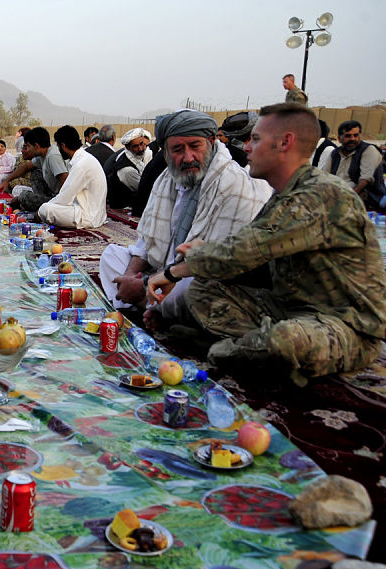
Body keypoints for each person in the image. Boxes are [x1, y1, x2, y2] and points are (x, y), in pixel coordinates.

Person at [148, 102, 386, 385]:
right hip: (287, 307)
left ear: (284, 143)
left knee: (285, 341)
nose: (246, 148)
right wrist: (200, 263)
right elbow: (251, 258)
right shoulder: (284, 195)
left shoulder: (320, 195)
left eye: (256, 140)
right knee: (201, 291)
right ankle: (253, 348)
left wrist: (173, 273)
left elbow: (245, 250)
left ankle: (220, 350)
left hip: (345, 324)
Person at [99, 110, 272, 326]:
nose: (188, 157)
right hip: (163, 272)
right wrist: (130, 275)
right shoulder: (167, 179)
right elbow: (145, 242)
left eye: (195, 146)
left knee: (191, 289)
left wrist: (145, 283)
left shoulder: (234, 184)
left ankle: (148, 304)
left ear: (210, 142)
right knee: (111, 256)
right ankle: (153, 305)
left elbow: (216, 264)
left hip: (195, 275)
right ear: (166, 152)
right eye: (178, 149)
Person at [36, 126, 108, 228]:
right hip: (93, 212)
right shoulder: (83, 158)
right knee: (50, 205)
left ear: (63, 146)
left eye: (58, 146)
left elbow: (64, 198)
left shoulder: (81, 164)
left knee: (45, 209)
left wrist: (39, 212)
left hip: (88, 217)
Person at [0, 127, 69, 212]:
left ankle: (42, 208)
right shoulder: (42, 154)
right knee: (36, 173)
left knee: (24, 196)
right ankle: (39, 204)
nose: (28, 150)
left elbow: (65, 180)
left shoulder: (53, 156)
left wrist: (54, 205)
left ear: (36, 146)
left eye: (29, 146)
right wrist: (7, 180)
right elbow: (26, 167)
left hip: (59, 201)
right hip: (51, 195)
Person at [317, 120, 385, 208]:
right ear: (339, 139)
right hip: (337, 197)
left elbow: (365, 180)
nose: (353, 139)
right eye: (348, 136)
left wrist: (346, 198)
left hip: (363, 199)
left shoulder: (368, 150)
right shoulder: (334, 154)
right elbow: (325, 178)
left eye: (356, 135)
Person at [104, 127, 152, 208]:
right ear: (127, 147)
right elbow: (144, 190)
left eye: (142, 144)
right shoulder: (127, 169)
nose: (140, 148)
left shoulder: (135, 157)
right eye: (136, 146)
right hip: (125, 206)